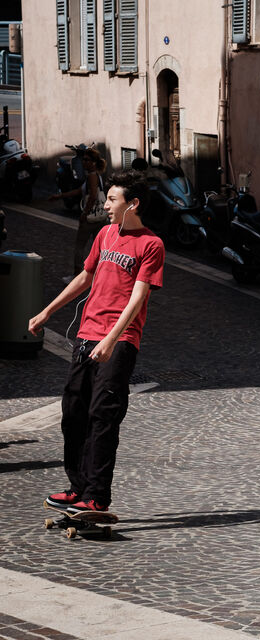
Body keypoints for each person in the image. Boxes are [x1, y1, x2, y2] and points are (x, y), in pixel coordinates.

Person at [29, 170, 165, 513]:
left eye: (112, 199)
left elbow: (138, 298)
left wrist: (111, 339)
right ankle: (77, 488)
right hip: (86, 335)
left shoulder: (151, 244)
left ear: (133, 204)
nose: (105, 205)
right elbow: (85, 277)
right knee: (73, 412)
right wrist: (47, 311)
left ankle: (96, 497)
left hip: (119, 340)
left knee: (103, 415)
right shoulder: (104, 235)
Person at [49, 148, 107, 282]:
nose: (83, 162)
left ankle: (76, 275)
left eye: (86, 160)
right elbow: (79, 191)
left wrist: (84, 213)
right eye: (83, 159)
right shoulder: (96, 175)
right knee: (100, 248)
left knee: (79, 247)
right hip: (100, 217)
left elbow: (93, 196)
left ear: (93, 162)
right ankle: (101, 275)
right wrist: (60, 196)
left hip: (91, 218)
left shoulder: (92, 176)